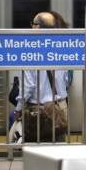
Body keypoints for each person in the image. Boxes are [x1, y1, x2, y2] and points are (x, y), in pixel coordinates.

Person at [14, 12, 71, 142]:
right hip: (59, 106)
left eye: (33, 24)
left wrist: (18, 109)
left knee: (37, 148)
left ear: (38, 27)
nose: (31, 27)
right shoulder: (63, 49)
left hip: (38, 110)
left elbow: (28, 86)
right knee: (59, 145)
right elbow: (67, 80)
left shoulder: (30, 51)